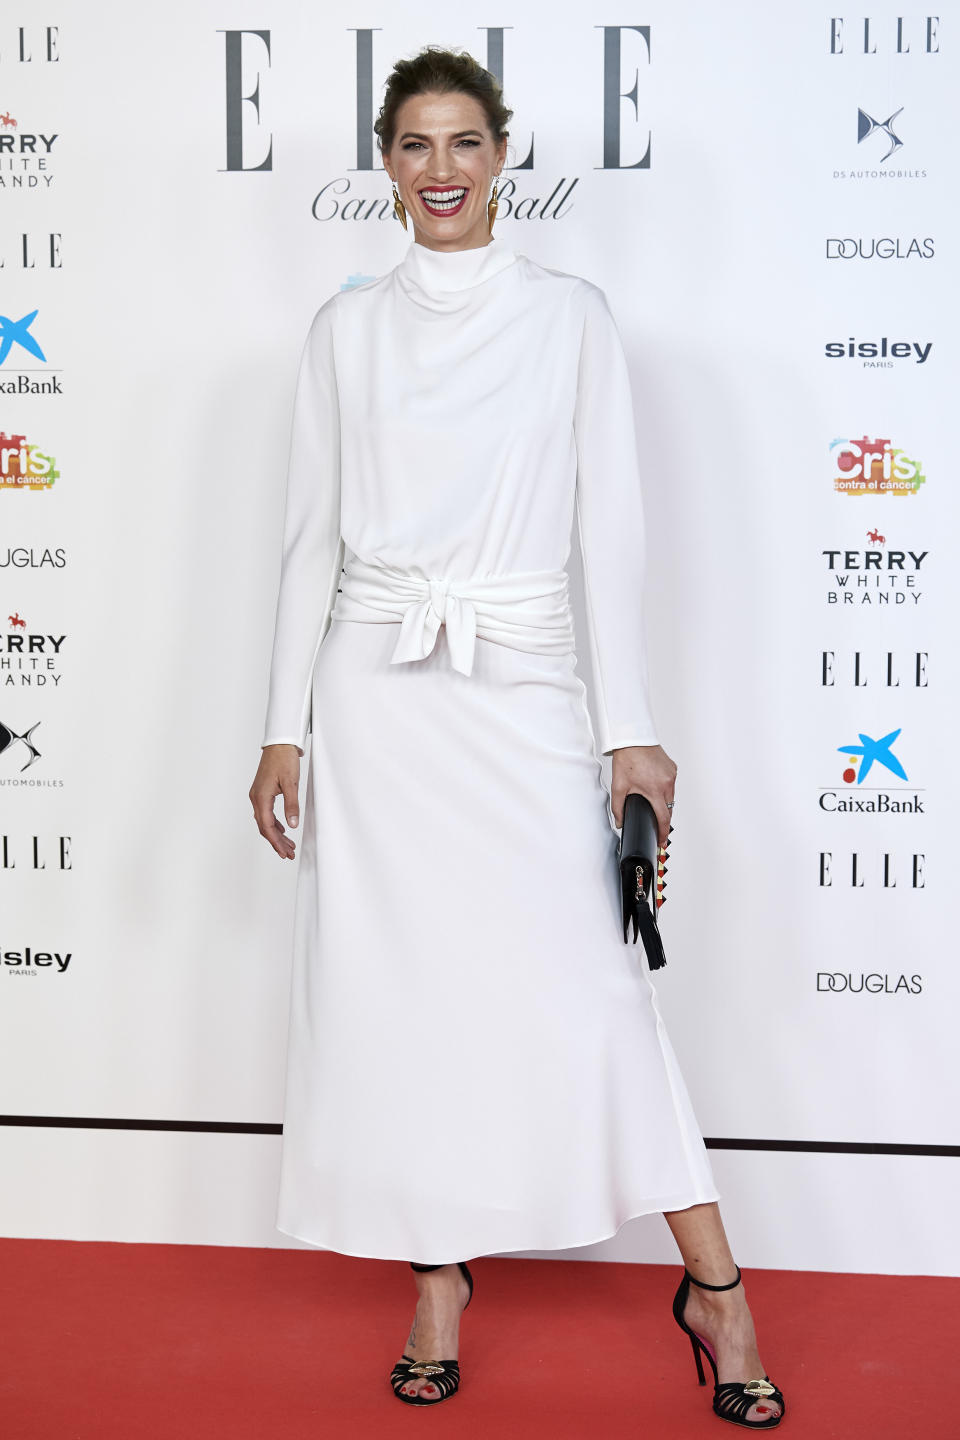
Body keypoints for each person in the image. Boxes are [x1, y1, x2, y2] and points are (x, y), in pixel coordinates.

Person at [249, 45, 785, 1429]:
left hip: (526, 682)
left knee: (599, 991)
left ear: (503, 157)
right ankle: (439, 1284)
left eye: (464, 144)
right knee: (408, 1002)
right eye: (415, 146)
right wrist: (280, 730)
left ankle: (714, 1289)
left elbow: (611, 535)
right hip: (377, 701)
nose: (441, 171)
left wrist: (635, 735)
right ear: (385, 162)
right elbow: (312, 540)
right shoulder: (343, 333)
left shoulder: (569, 317)